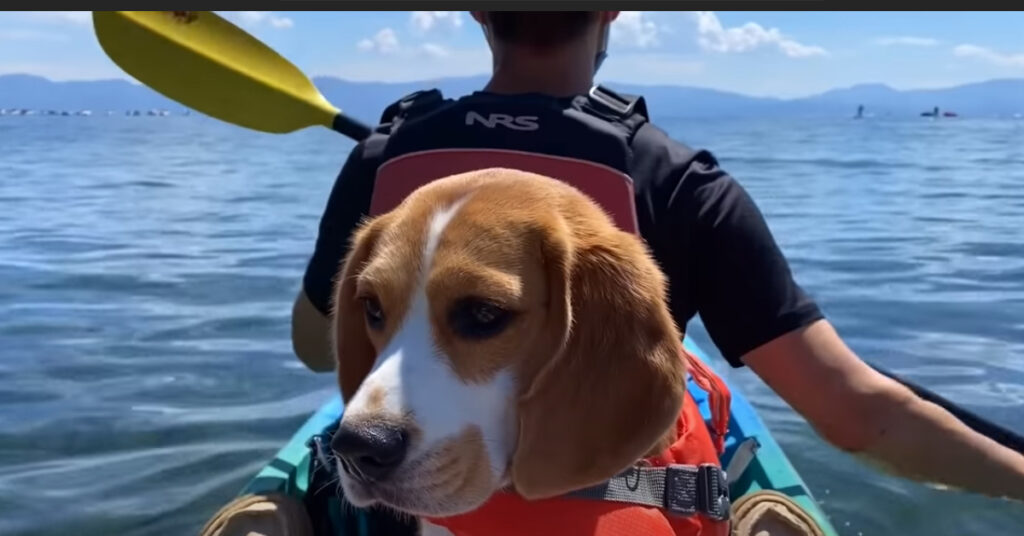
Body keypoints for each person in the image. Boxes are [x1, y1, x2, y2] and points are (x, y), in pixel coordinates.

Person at [206, 10, 1024, 536]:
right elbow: (859, 412)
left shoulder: (386, 162)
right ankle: (763, 517)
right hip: (619, 490)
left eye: (484, 315)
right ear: (612, 14)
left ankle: (277, 513)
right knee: (700, 393)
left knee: (343, 438)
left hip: (406, 482)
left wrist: (377, 303)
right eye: (378, 310)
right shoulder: (679, 180)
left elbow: (320, 350)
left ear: (478, 14)